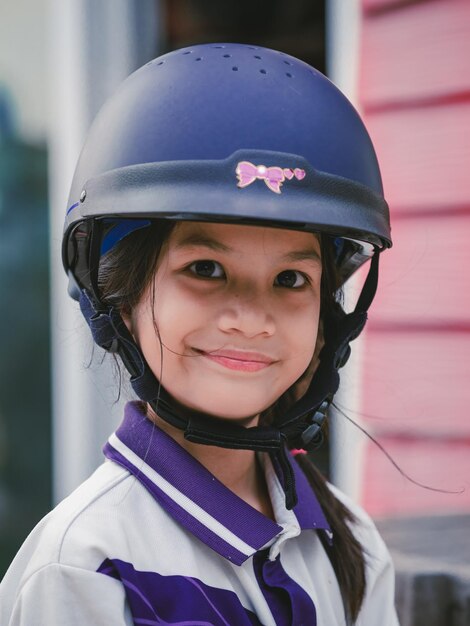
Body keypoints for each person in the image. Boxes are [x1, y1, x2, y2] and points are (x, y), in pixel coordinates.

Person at [0, 43, 399, 625]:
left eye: (290, 278)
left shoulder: (352, 545)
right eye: (206, 270)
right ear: (120, 296)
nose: (251, 317)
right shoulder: (84, 568)